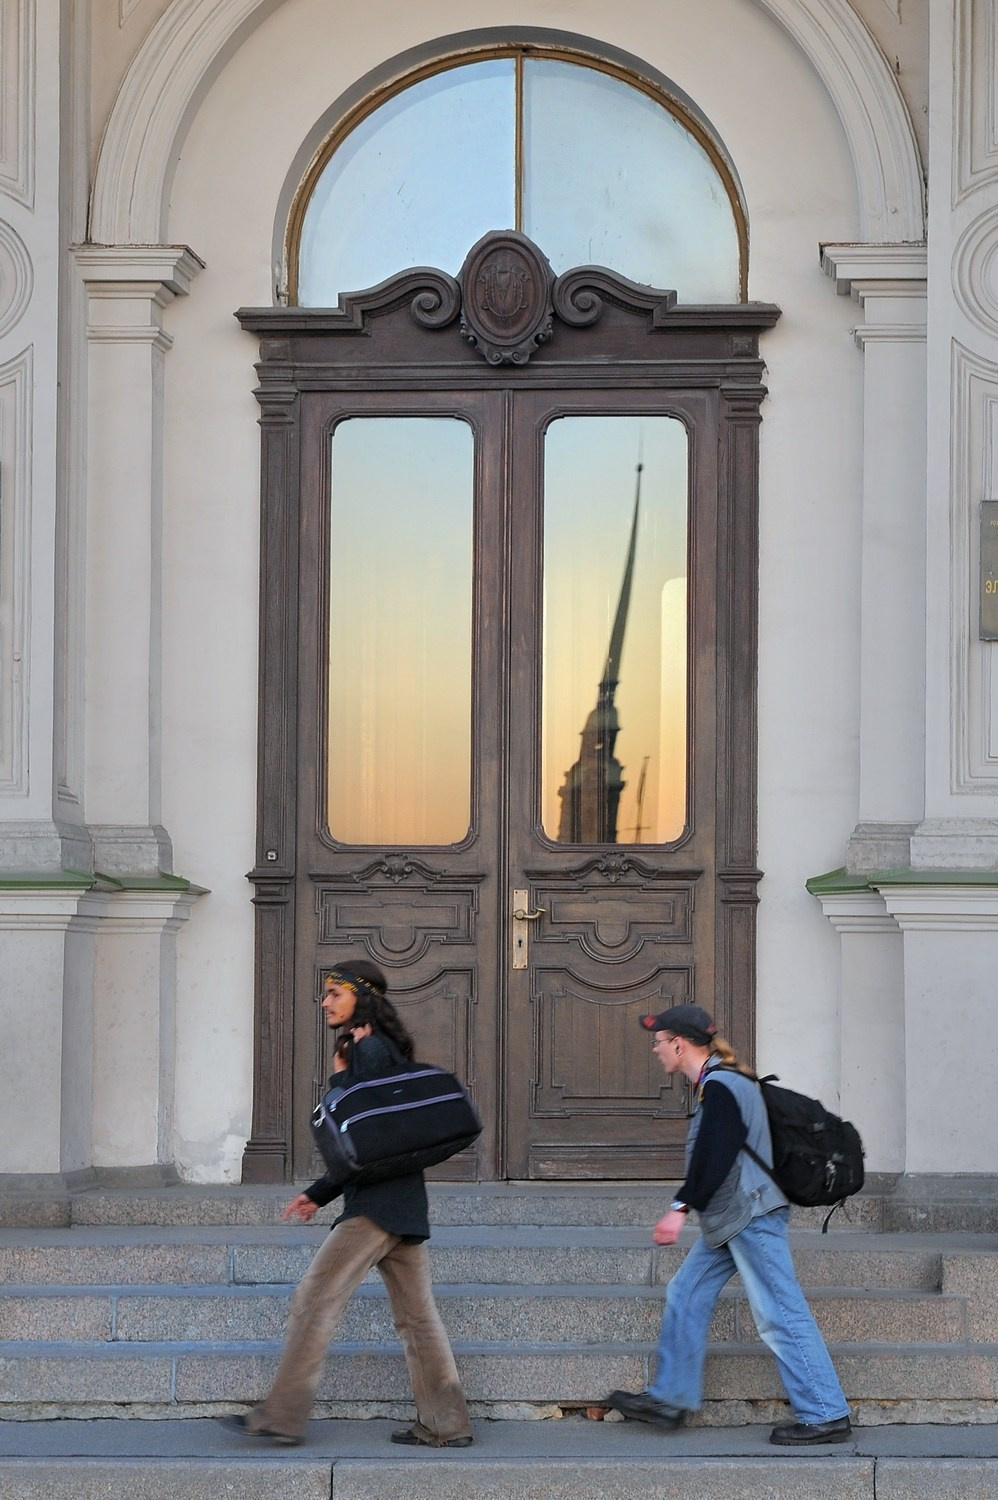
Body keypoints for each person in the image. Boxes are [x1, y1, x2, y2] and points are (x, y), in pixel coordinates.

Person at [225, 959, 473, 1449]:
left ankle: (281, 1416)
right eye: (325, 994)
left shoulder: (370, 1049)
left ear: (362, 997)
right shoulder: (379, 1048)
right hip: (401, 1205)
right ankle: (446, 1423)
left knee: (314, 1301)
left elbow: (369, 1133)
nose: (325, 1002)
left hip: (376, 1210)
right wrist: (318, 1195)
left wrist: (341, 1081)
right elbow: (375, 1144)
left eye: (335, 993)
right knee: (417, 1319)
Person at [606, 1003, 852, 1446]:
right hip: (732, 1217)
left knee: (779, 1313)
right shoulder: (721, 1082)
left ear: (679, 1044)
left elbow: (715, 1155)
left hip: (750, 1216)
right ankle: (670, 1397)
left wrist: (679, 1209)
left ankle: (825, 1412)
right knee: (686, 1290)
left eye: (658, 1042)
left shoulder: (720, 1086)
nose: (656, 1049)